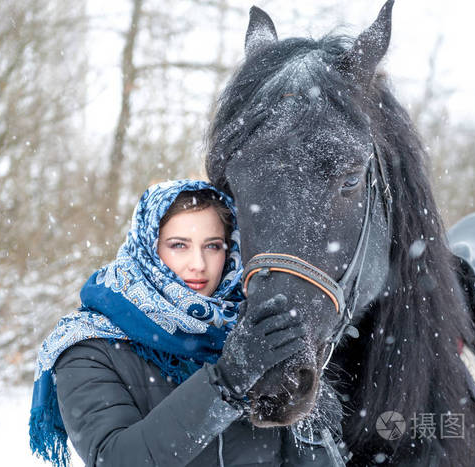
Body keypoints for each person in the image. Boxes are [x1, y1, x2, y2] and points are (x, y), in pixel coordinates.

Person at [28, 179, 333, 467]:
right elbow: (116, 458)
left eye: (213, 245)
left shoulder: (251, 330)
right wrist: (225, 381)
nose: (198, 264)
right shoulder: (90, 345)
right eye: (179, 245)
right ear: (148, 248)